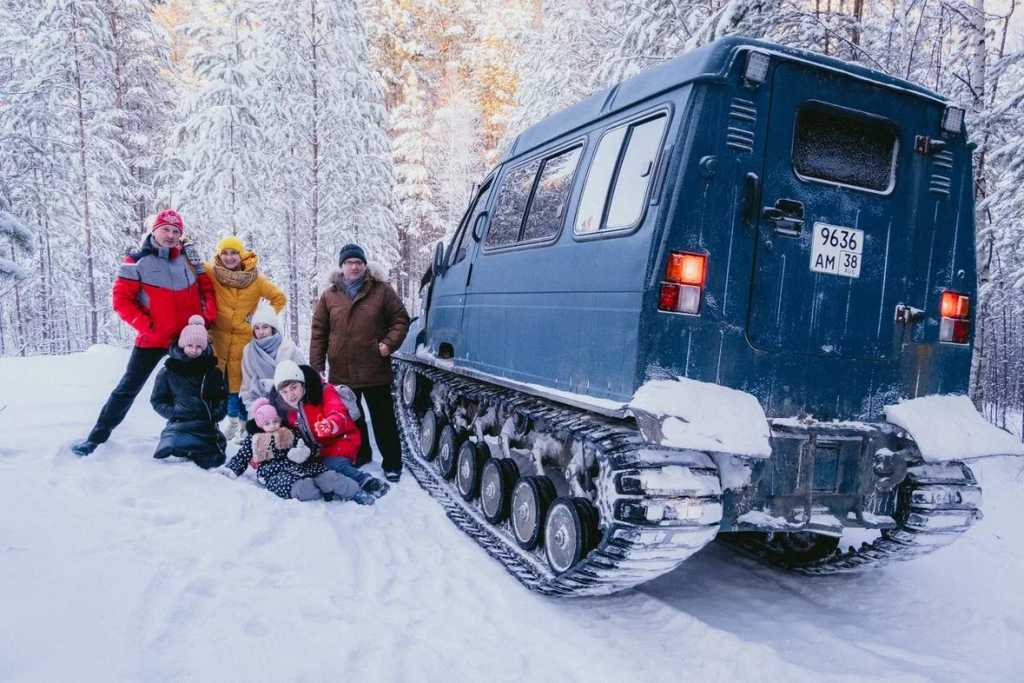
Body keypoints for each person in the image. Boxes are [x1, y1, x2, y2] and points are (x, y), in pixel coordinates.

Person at [72, 209, 216, 456]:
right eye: (166, 230)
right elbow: (121, 301)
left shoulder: (189, 259)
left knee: (201, 389)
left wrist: (206, 320)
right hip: (152, 339)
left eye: (175, 231)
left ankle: (203, 440)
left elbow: (207, 290)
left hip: (188, 340)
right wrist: (148, 325)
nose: (170, 235)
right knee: (127, 388)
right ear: (154, 230)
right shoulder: (136, 261)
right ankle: (96, 437)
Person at [310, 243, 410, 483]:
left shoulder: (382, 291)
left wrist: (387, 345)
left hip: (374, 368)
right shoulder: (329, 295)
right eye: (349, 262)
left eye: (358, 262)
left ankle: (392, 463)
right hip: (342, 371)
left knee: (383, 418)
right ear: (341, 266)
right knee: (350, 419)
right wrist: (317, 366)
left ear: (365, 266)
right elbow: (319, 332)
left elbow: (401, 320)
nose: (354, 266)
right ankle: (361, 454)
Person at [265, 360, 390, 498]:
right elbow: (275, 427)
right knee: (312, 469)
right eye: (284, 392)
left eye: (294, 387)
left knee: (332, 464)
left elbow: (337, 411)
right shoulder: (285, 409)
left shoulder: (323, 391)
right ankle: (334, 487)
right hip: (315, 450)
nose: (290, 395)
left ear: (302, 383)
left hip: (341, 440)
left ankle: (365, 480)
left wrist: (330, 424)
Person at [219, 398, 376, 504]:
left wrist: (303, 451)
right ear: (260, 424)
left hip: (301, 466)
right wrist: (232, 469)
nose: (273, 425)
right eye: (267, 423)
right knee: (302, 489)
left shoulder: (289, 432)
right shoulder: (255, 439)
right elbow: (242, 457)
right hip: (275, 474)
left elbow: (308, 446)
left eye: (275, 421)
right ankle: (325, 493)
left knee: (330, 477)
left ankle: (355, 492)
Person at [205, 236, 286, 441]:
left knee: (239, 387)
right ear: (219, 255)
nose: (230, 257)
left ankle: (241, 425)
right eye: (225, 253)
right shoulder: (212, 272)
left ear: (241, 255)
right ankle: (215, 424)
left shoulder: (256, 279)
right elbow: (191, 265)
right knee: (214, 384)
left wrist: (260, 318)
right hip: (218, 339)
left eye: (234, 253)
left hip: (243, 342)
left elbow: (279, 298)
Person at [149, 316, 228, 469]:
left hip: (205, 423)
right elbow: (157, 400)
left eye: (199, 346)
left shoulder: (212, 371)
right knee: (171, 445)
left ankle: (197, 451)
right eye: (190, 345)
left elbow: (221, 397)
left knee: (215, 458)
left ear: (204, 348)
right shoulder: (168, 371)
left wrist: (215, 413)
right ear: (182, 344)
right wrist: (174, 412)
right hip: (179, 423)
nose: (194, 350)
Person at [238, 300, 305, 413]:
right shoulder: (248, 351)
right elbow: (247, 386)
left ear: (273, 328)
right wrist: (254, 411)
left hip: (290, 405)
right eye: (257, 328)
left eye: (265, 327)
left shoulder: (288, 348)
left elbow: (303, 377)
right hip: (261, 408)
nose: (261, 332)